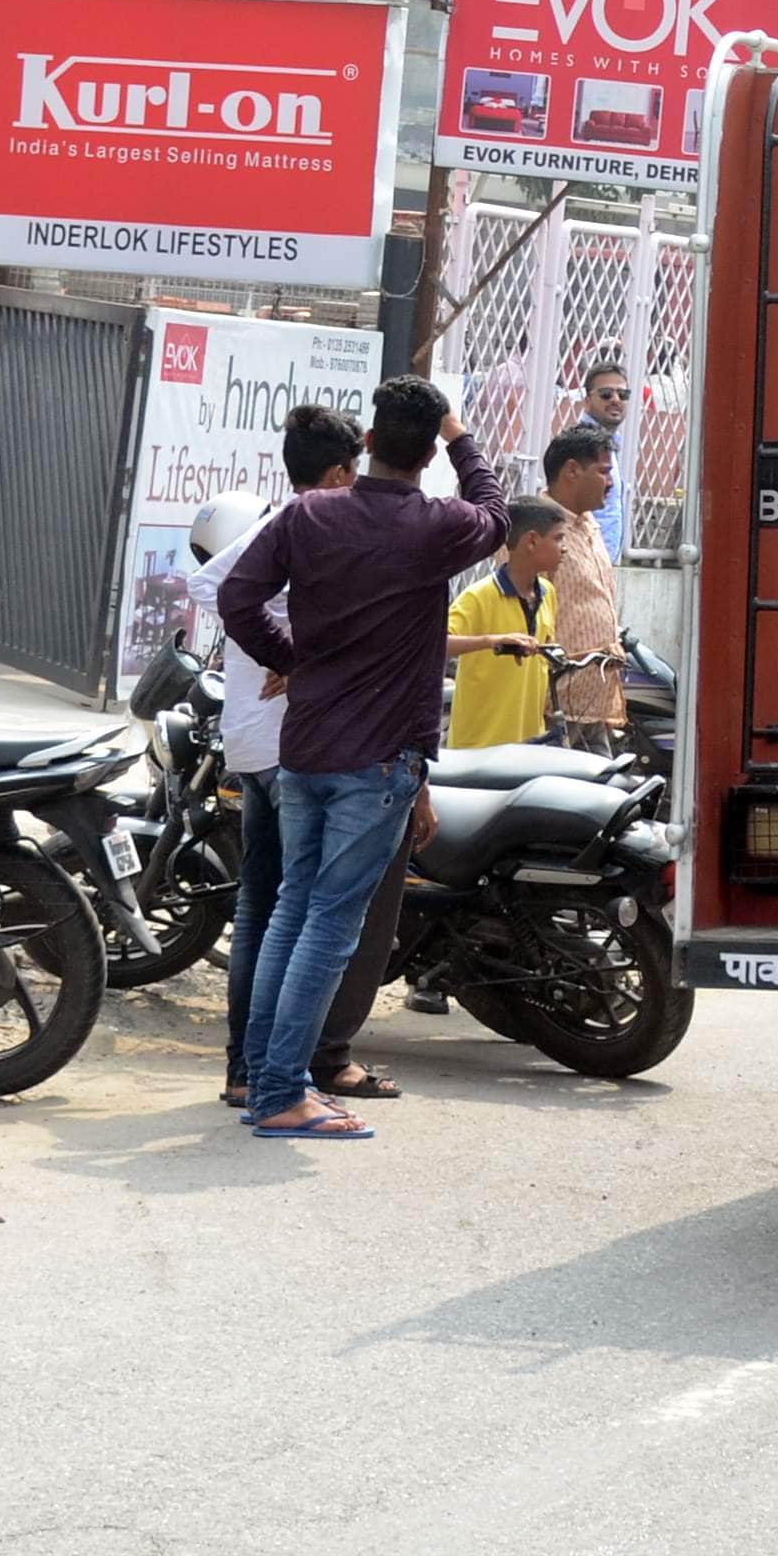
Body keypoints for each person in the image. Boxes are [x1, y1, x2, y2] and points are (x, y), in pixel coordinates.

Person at [217, 374, 507, 1141]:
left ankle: (262, 1080)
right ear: (425, 451)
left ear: (369, 442)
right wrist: (460, 436)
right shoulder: (438, 525)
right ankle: (281, 1090)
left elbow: (236, 598)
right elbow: (498, 511)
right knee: (325, 928)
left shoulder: (309, 515)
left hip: (306, 748)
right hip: (376, 760)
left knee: (290, 913)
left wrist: (295, 658)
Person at [198, 411, 415, 1114]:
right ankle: (270, 1074)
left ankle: (253, 1072)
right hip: (283, 746)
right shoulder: (302, 523)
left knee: (271, 911)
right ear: (336, 474)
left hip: (270, 742)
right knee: (294, 915)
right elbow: (215, 589)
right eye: (354, 470)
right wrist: (297, 655)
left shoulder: (304, 525)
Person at [445, 499, 565, 751]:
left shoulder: (548, 592)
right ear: (531, 541)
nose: (564, 548)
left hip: (529, 742)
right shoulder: (479, 597)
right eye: (558, 539)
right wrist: (490, 641)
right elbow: (437, 644)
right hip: (479, 747)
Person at [542, 427, 624, 752]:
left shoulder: (588, 523)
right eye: (603, 472)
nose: (611, 482)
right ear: (572, 471)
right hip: (555, 707)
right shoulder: (537, 529)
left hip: (595, 702)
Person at [576, 363, 634, 560]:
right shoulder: (582, 444)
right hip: (585, 563)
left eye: (623, 395)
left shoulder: (609, 443)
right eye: (606, 394)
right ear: (587, 401)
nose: (616, 400)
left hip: (602, 566)